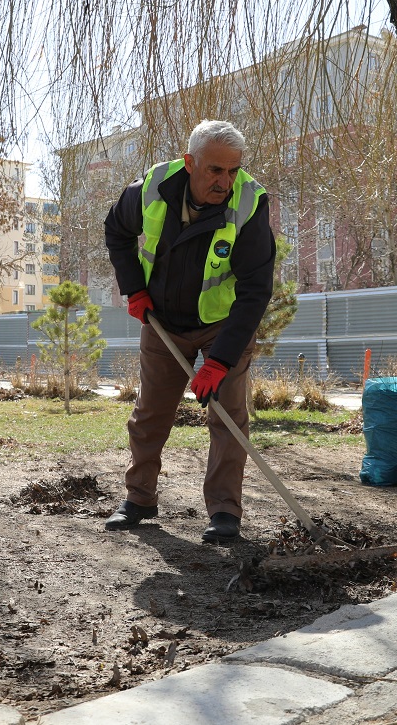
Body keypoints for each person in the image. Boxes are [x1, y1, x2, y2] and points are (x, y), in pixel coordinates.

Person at [102, 119, 275, 543]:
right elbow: (116, 231)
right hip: (162, 322)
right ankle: (139, 498)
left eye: (233, 170)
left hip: (223, 325)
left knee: (228, 418)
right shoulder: (151, 188)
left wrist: (219, 361)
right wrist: (134, 289)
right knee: (150, 414)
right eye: (215, 170)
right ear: (190, 162)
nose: (225, 181)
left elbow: (255, 290)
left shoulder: (249, 203)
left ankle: (224, 512)